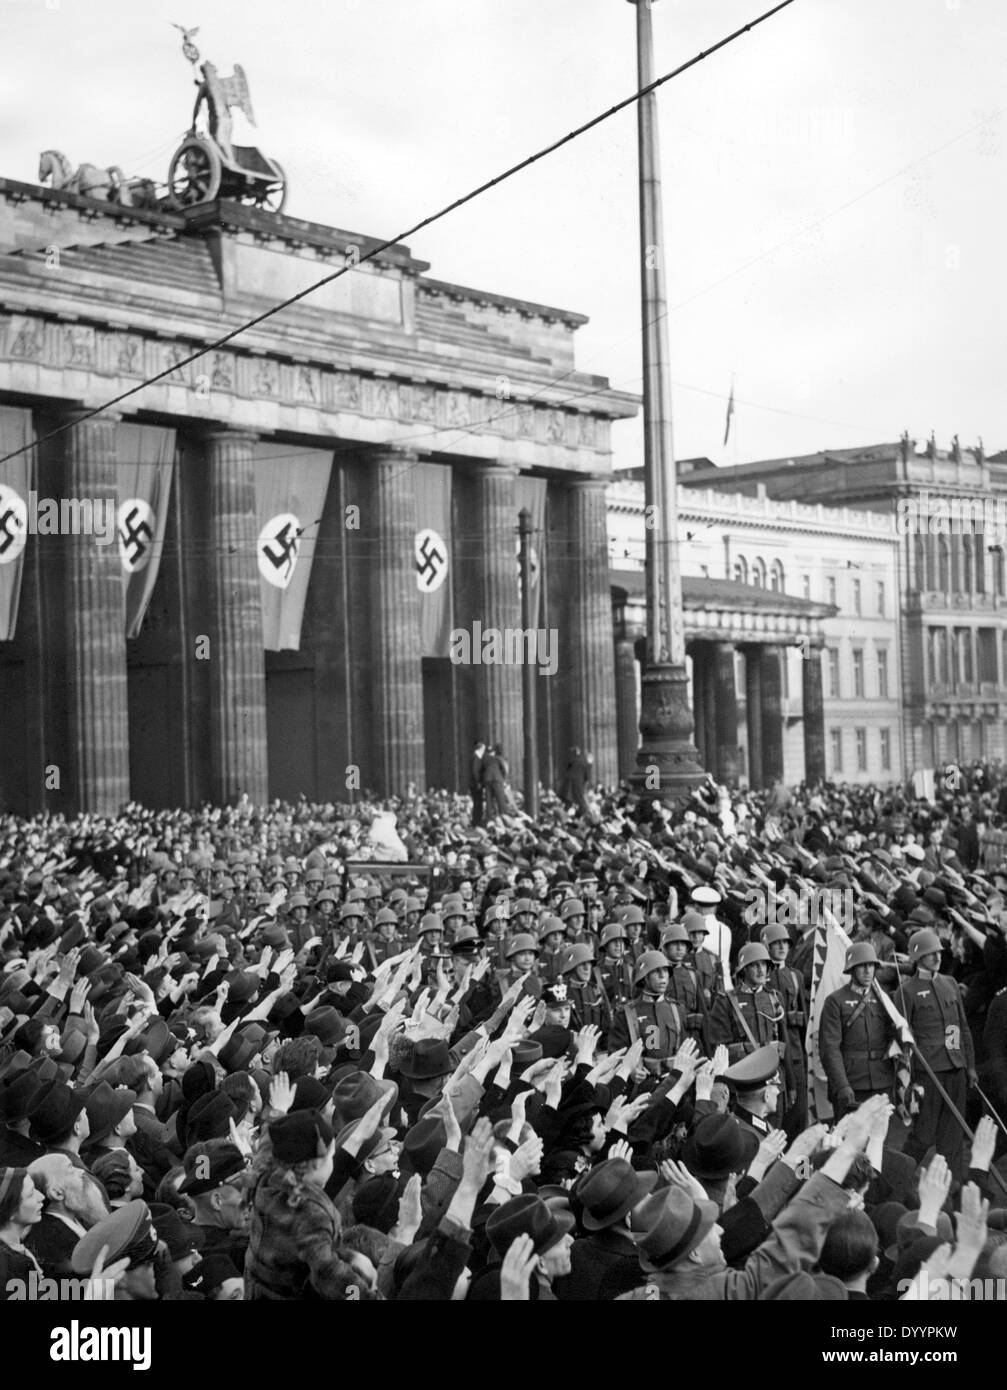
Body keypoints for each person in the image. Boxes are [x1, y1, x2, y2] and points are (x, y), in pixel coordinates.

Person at [901, 928, 977, 1179]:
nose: (936, 957)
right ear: (917, 957)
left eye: (938, 952)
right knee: (923, 1136)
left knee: (952, 1138)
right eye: (929, 953)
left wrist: (970, 1066)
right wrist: (908, 1078)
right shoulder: (907, 991)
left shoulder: (950, 983)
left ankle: (952, 1195)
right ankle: (896, 1178)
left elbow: (961, 1027)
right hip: (927, 1074)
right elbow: (904, 1038)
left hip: (955, 1069)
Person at [818, 942, 898, 1118]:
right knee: (849, 1141)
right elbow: (829, 1048)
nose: (868, 971)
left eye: (871, 965)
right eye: (862, 966)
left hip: (881, 1080)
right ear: (852, 969)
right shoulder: (835, 1001)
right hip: (851, 1082)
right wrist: (842, 1085)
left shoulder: (885, 1000)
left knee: (878, 1139)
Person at [470, 742, 486, 828]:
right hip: (476, 785)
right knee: (477, 803)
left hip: (475, 784)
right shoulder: (476, 758)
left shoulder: (474, 757)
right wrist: (478, 782)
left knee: (477, 803)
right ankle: (477, 821)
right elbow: (475, 771)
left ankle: (476, 821)